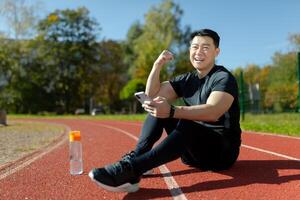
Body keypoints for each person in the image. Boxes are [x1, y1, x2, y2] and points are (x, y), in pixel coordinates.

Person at [89, 28, 241, 193]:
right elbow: (152, 94)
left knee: (184, 120)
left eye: (205, 47)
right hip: (192, 152)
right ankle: (138, 158)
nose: (199, 52)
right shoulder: (188, 79)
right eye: (195, 47)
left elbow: (213, 111)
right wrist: (157, 65)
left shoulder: (223, 78)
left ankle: (132, 169)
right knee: (157, 106)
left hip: (221, 153)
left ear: (216, 52)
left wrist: (172, 111)